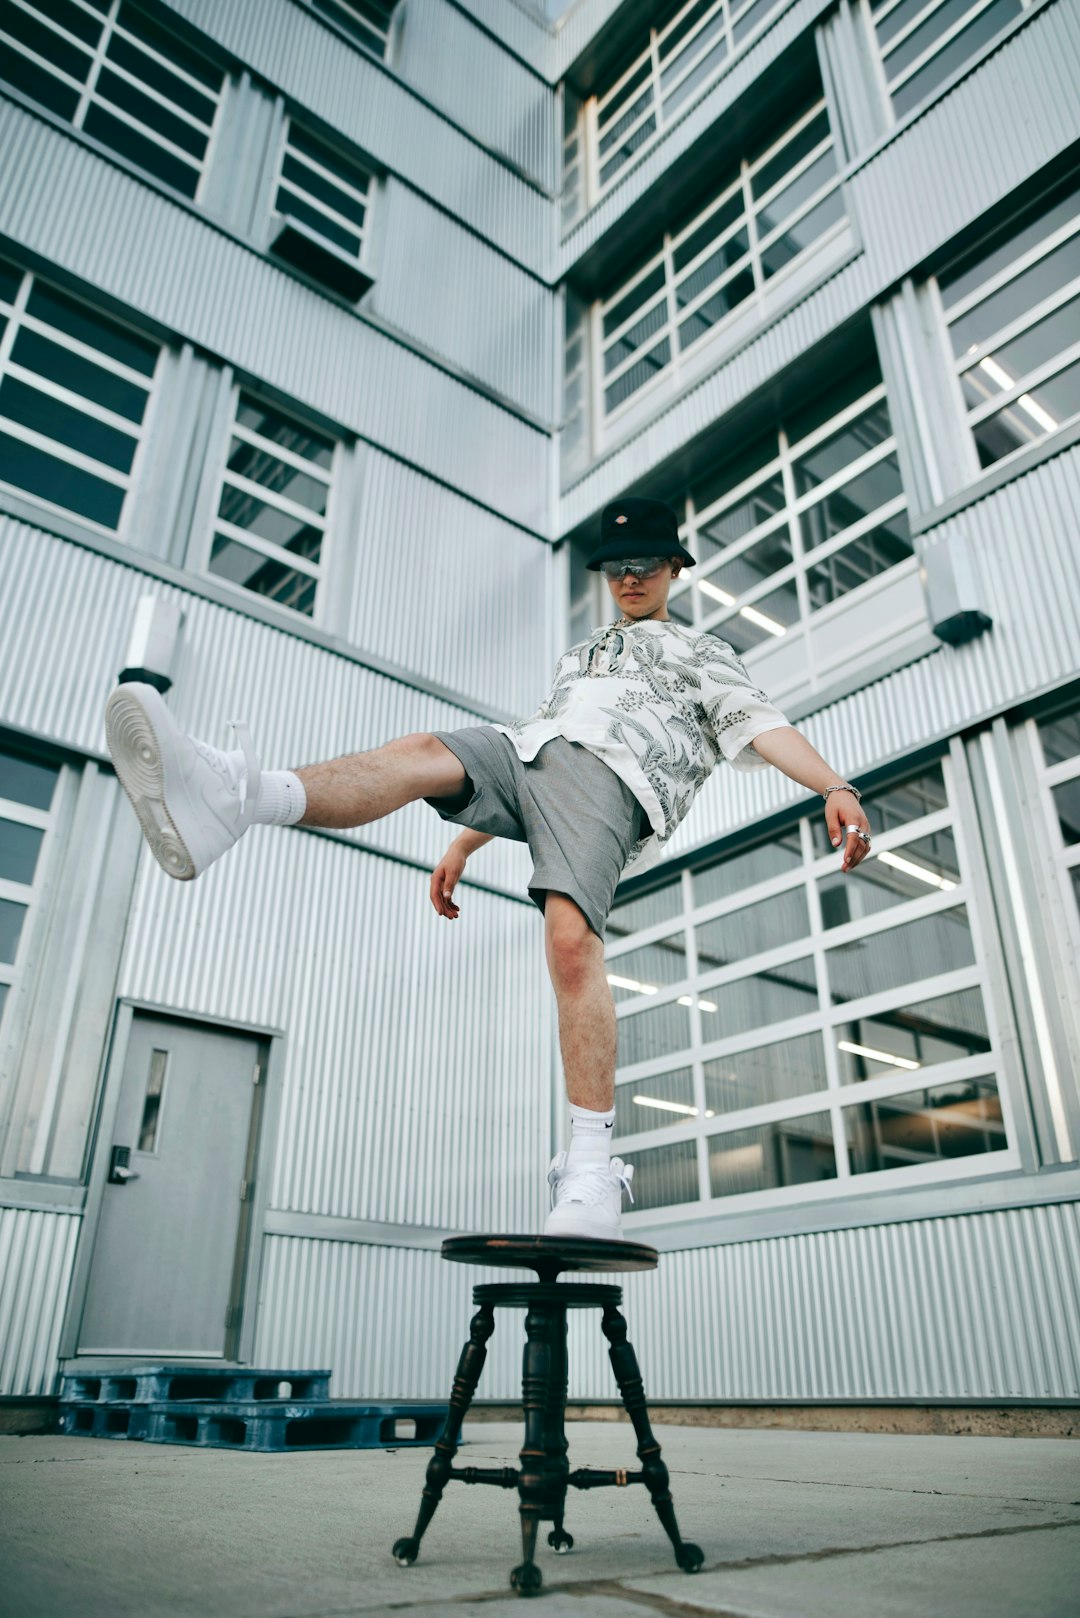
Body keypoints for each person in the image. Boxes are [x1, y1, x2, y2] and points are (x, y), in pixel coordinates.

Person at [104, 497, 872, 1241]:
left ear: (674, 567)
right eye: (614, 569)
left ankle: (593, 1166)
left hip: (615, 779)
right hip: (535, 752)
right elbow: (539, 744)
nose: (629, 580)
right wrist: (466, 840)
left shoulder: (704, 654)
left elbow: (765, 727)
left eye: (644, 566)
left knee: (570, 942)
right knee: (419, 753)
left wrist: (833, 785)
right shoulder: (585, 654)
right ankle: (236, 800)